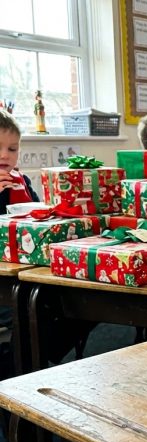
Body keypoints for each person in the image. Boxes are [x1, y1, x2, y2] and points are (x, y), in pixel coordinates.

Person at [0, 110, 40, 380]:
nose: (5, 156)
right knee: (23, 309)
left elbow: (38, 214)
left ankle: (28, 362)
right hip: (4, 283)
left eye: (12, 149)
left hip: (24, 267)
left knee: (44, 303)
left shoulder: (21, 181)